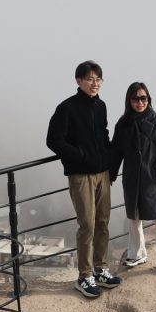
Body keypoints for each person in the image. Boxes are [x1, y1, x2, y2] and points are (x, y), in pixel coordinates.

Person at [46, 60, 122, 298]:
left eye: (98, 79)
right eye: (90, 79)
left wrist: (109, 164)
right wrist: (79, 156)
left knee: (102, 222)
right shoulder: (66, 108)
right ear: (78, 81)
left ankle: (101, 269)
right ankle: (84, 276)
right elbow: (53, 140)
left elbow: (104, 135)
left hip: (102, 174)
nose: (94, 83)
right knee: (87, 224)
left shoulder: (101, 106)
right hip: (81, 175)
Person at [111, 82, 156, 275]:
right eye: (136, 98)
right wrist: (111, 173)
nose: (140, 102)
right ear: (129, 100)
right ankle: (137, 253)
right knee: (134, 217)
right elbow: (116, 151)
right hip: (132, 178)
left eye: (144, 98)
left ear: (149, 99)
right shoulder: (123, 124)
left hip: (153, 179)